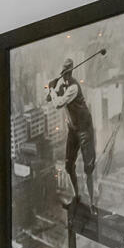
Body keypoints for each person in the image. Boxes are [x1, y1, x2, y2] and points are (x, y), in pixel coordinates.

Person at [47, 59, 97, 204]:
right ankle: (77, 196)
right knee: (69, 166)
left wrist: (52, 90)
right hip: (73, 129)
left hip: (84, 129)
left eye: (68, 73)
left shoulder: (73, 88)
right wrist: (52, 89)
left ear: (71, 72)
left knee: (88, 168)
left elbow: (58, 104)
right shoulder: (63, 85)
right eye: (64, 74)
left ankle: (92, 202)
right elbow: (49, 98)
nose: (66, 76)